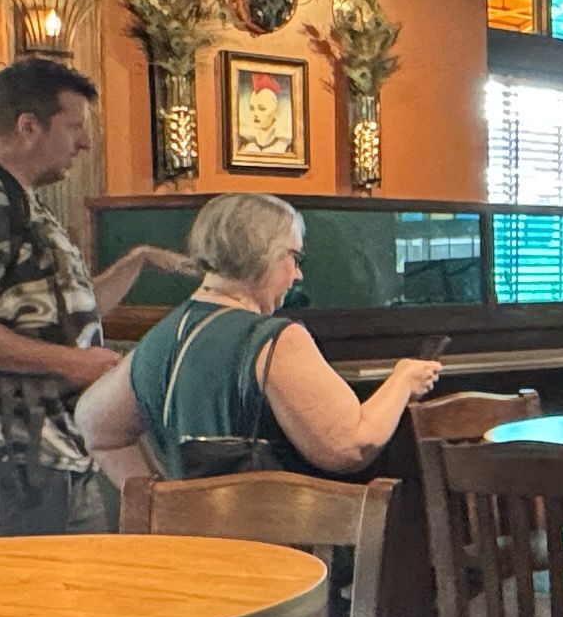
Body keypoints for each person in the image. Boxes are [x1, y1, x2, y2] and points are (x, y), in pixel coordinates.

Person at [0, 55, 191, 536]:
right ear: (28, 127)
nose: (83, 142)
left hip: (51, 457)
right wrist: (70, 363)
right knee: (18, 608)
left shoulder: (21, 200)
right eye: (74, 126)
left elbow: (66, 314)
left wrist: (138, 259)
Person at [81, 189, 441, 488]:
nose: (297, 275)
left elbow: (96, 426)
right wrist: (403, 379)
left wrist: (162, 507)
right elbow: (351, 444)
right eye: (294, 257)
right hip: (277, 556)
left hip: (195, 553)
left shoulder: (162, 335)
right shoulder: (274, 339)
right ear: (264, 251)